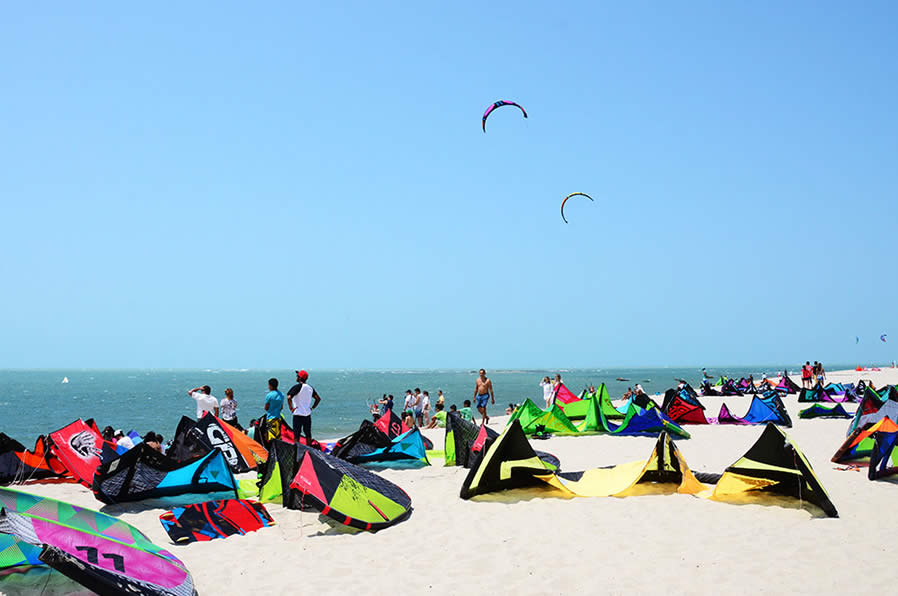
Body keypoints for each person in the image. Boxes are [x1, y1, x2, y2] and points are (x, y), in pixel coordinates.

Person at [287, 370, 321, 446]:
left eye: (297, 376)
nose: (296, 377)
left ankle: (297, 449)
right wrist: (312, 408)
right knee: (308, 433)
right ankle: (309, 450)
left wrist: (291, 408)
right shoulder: (310, 388)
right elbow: (318, 398)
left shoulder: (297, 387)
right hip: (307, 414)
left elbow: (289, 397)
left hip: (298, 414)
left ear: (299, 378)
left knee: (296, 434)